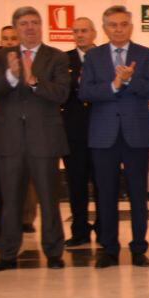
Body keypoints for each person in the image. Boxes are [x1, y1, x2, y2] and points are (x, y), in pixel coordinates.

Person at [0, 7, 70, 271]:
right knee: (10, 200)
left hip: (43, 138)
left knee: (48, 198)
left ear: (42, 26)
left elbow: (62, 94)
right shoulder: (1, 56)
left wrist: (34, 81)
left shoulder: (56, 57)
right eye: (24, 24)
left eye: (34, 22)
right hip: (8, 137)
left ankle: (54, 252)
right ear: (16, 28)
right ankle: (7, 254)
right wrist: (11, 76)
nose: (30, 28)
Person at [80, 6, 149, 268]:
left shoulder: (145, 55)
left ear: (131, 26)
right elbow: (85, 93)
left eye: (123, 24)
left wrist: (129, 81)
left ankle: (139, 248)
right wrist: (114, 85)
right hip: (103, 135)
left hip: (136, 133)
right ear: (104, 28)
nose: (118, 28)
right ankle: (109, 248)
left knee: (138, 193)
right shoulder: (93, 56)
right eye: (113, 25)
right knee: (106, 194)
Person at [0, 24, 38, 233]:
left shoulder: (32, 60)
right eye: (6, 38)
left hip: (34, 130)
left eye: (13, 38)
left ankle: (26, 218)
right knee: (8, 181)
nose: (10, 42)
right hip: (5, 130)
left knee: (29, 180)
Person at [62, 17, 97, 247]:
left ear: (94, 33)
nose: (80, 35)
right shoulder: (63, 60)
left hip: (101, 129)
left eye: (84, 31)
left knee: (104, 183)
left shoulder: (104, 56)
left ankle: (105, 228)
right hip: (73, 132)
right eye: (76, 31)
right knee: (76, 184)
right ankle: (80, 231)